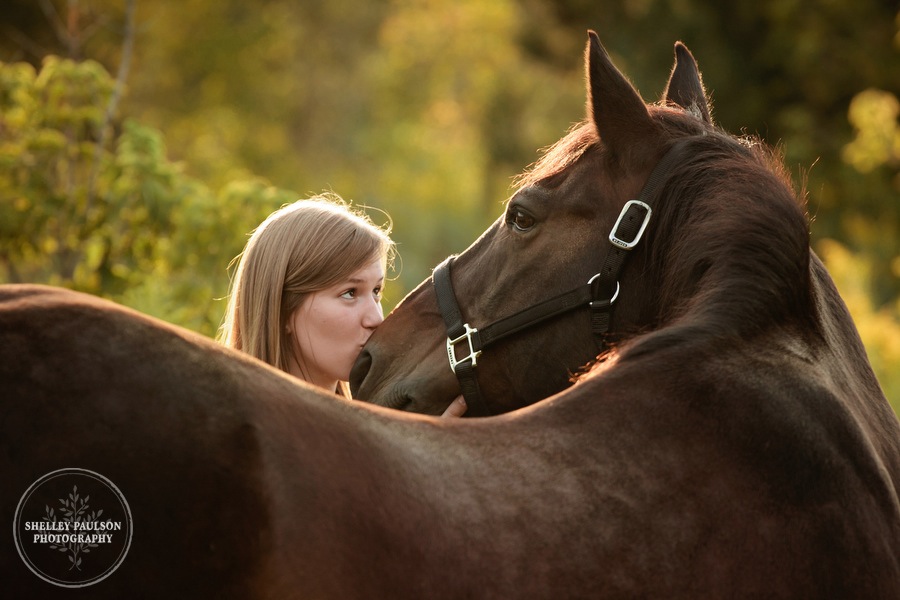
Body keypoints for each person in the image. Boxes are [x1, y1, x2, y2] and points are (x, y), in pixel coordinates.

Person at [218, 194, 467, 418]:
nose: (376, 319)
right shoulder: (225, 440)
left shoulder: (377, 430)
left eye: (376, 291)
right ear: (283, 308)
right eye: (350, 293)